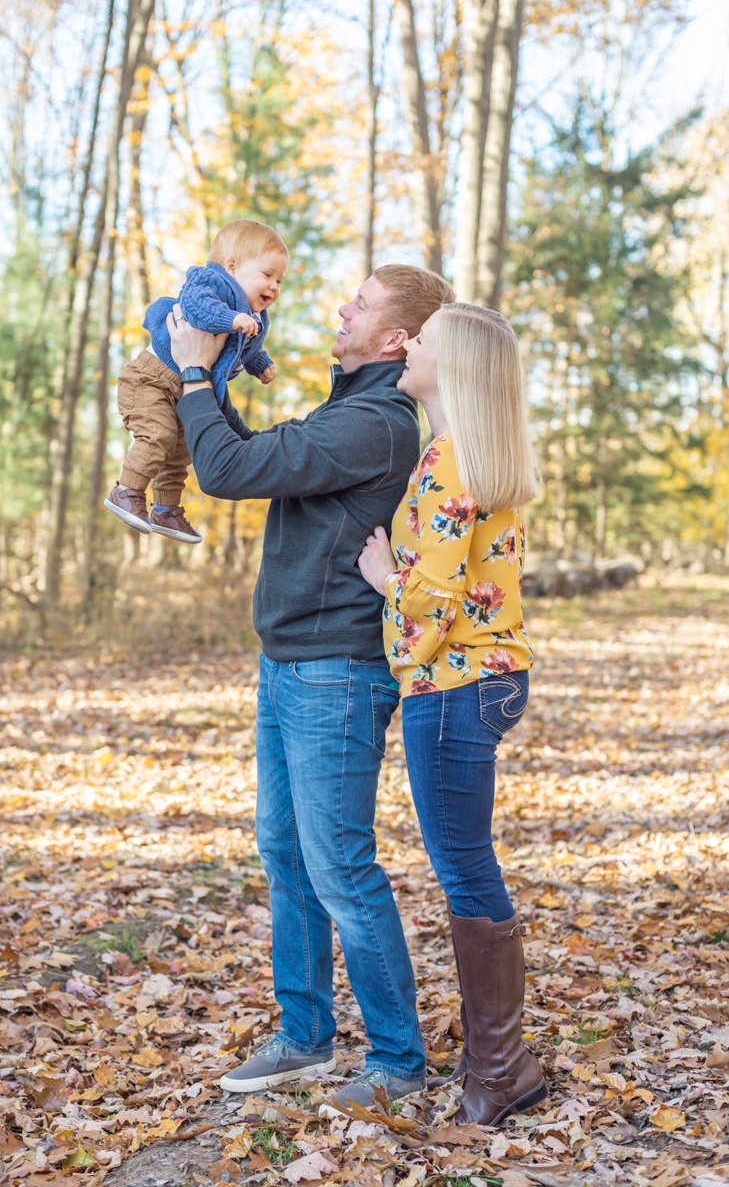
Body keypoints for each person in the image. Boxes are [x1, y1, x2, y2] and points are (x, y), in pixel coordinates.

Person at [164, 265, 456, 1108]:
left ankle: (398, 1065)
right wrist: (204, 376)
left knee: (340, 870)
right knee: (287, 857)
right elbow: (252, 455)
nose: (340, 309)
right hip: (287, 661)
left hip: (335, 674)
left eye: (359, 304)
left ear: (396, 337)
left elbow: (225, 472)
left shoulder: (374, 423)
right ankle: (304, 1039)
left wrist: (190, 372)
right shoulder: (346, 410)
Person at [358, 302, 548, 1125]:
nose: (407, 348)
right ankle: (499, 1061)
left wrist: (381, 578)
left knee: (465, 867)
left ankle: (500, 1072)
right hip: (490, 677)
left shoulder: (446, 461)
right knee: (468, 863)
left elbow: (430, 606)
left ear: (454, 366)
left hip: (454, 685)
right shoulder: (476, 454)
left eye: (421, 342)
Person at [104, 220, 288, 545]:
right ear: (232, 267)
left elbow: (248, 347)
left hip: (183, 388)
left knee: (181, 449)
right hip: (151, 378)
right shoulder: (212, 282)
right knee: (158, 435)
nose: (274, 286)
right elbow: (196, 307)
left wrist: (260, 364)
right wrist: (230, 319)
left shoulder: (257, 317)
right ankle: (127, 490)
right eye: (267, 274)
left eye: (279, 280)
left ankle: (165, 509)